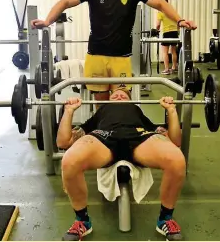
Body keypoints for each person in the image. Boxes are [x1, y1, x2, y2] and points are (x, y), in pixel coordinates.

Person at [31, 0, 197, 103]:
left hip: (121, 58)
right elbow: (65, 1)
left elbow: (161, 3)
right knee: (101, 104)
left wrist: (179, 20)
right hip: (96, 56)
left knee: (122, 102)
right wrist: (47, 21)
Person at [56, 88, 186, 241]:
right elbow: (63, 142)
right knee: (69, 161)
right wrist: (69, 111)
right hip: (103, 136)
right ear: (108, 100)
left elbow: (175, 140)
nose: (118, 96)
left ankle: (165, 219)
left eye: (123, 96)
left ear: (130, 101)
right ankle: (82, 221)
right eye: (115, 95)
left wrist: (171, 110)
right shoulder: (102, 110)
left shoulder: (135, 110)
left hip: (139, 136)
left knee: (177, 160)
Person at [156, 0, 179, 75]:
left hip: (167, 33)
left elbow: (158, 25)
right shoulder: (172, 11)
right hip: (175, 32)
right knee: (173, 51)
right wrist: (177, 31)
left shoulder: (161, 12)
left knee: (165, 52)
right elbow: (178, 21)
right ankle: (174, 67)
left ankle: (166, 69)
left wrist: (157, 29)